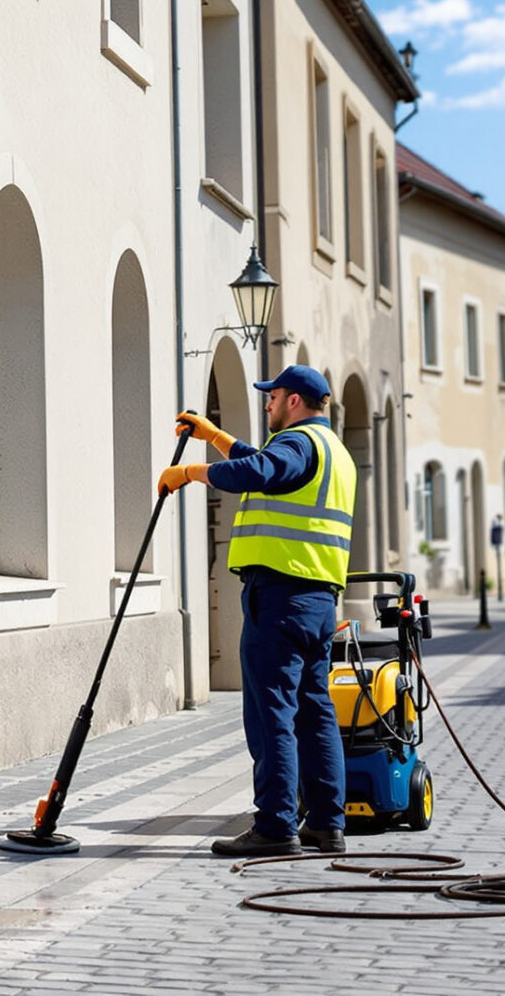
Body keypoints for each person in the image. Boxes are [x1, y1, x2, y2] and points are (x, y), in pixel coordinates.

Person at [158, 364, 356, 859]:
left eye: (273, 397)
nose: (267, 403)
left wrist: (192, 473)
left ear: (293, 401)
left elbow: (262, 471)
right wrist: (216, 438)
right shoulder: (333, 451)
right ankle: (327, 825)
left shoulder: (299, 443)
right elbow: (269, 466)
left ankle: (275, 826)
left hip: (280, 599)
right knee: (315, 712)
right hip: (317, 601)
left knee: (272, 714)